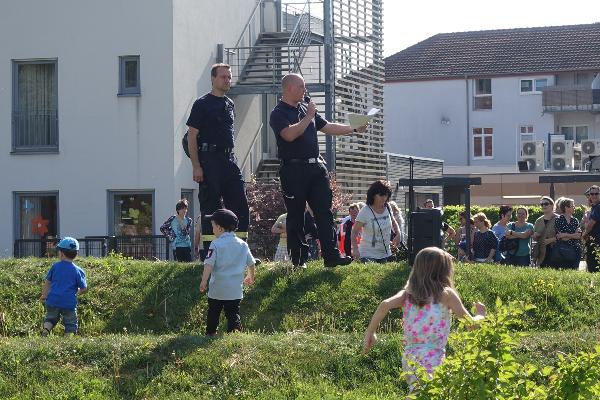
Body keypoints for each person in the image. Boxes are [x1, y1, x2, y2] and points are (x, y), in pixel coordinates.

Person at [269, 73, 367, 268]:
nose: (305, 90)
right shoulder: (278, 113)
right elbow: (289, 135)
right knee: (296, 215)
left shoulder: (306, 108)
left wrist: (354, 128)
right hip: (293, 169)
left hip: (316, 167)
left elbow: (328, 127)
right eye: (301, 87)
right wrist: (308, 117)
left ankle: (331, 256)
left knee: (324, 212)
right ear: (289, 88)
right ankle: (299, 260)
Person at [363, 247, 486, 389]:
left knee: (418, 392)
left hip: (409, 357)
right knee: (426, 393)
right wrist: (480, 315)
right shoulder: (446, 295)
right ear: (444, 271)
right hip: (432, 357)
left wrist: (370, 332)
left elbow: (385, 304)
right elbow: (471, 325)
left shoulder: (407, 294)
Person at [186, 63, 249, 260]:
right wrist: (196, 166)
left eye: (229, 77)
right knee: (210, 207)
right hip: (209, 160)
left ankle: (240, 251)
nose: (227, 80)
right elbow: (191, 136)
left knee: (240, 204)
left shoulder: (230, 104)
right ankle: (209, 254)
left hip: (229, 159)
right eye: (223, 77)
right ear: (213, 79)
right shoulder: (202, 103)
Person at [199, 209, 256, 336]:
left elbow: (208, 264)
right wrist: (250, 276)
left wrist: (204, 281)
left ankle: (211, 333)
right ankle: (234, 334)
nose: (212, 229)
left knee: (213, 312)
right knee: (233, 313)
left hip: (217, 288)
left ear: (219, 228)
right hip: (235, 289)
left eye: (213, 226)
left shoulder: (215, 244)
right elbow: (251, 263)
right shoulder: (243, 244)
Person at [40, 237, 87, 336]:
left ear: (61, 253)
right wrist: (77, 292)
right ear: (76, 254)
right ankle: (68, 339)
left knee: (50, 318)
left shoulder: (55, 267)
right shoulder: (78, 271)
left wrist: (44, 295)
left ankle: (46, 329)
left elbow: (47, 282)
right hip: (68, 302)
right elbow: (84, 288)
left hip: (53, 300)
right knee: (70, 323)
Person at [351, 180, 401, 263]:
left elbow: (393, 221)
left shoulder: (388, 207)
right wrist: (355, 249)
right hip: (367, 255)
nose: (384, 198)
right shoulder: (365, 211)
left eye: (386, 195)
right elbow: (354, 232)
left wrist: (398, 234)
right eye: (381, 195)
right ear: (373, 195)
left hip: (386, 254)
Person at [554, 198, 582, 269]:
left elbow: (579, 236)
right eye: (572, 205)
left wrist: (565, 234)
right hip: (563, 251)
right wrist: (573, 235)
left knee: (575, 272)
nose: (574, 207)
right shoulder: (558, 220)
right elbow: (563, 238)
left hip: (576, 251)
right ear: (566, 207)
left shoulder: (575, 220)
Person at [532, 196, 558, 267]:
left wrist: (550, 240)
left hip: (556, 251)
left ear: (552, 205)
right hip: (542, 253)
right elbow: (535, 238)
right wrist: (535, 236)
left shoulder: (559, 219)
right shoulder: (538, 221)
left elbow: (563, 235)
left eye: (546, 204)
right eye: (542, 204)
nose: (543, 206)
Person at [582, 185, 600, 273]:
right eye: (592, 194)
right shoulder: (594, 207)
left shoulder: (598, 207)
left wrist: (584, 235)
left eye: (596, 193)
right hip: (594, 241)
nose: (594, 196)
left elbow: (590, 225)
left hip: (596, 242)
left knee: (593, 268)